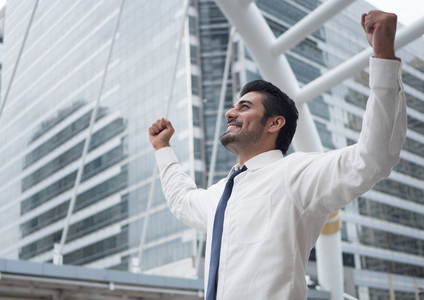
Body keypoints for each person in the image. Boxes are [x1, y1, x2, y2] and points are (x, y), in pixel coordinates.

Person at [148, 11, 406, 300]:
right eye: (234, 107)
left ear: (274, 123)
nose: (229, 112)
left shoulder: (295, 174)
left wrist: (383, 56)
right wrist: (162, 148)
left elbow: (372, 157)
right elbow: (182, 201)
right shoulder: (220, 194)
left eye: (244, 107)